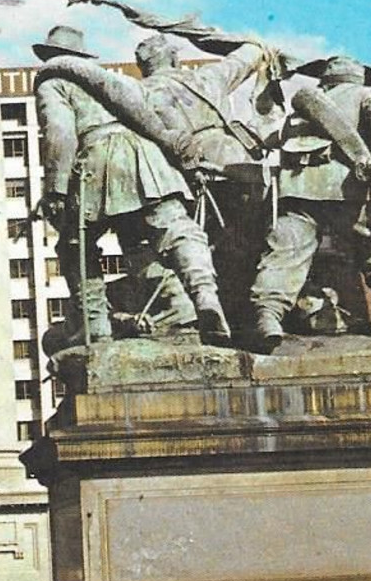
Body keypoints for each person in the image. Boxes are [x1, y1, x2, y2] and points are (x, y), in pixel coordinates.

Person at [35, 25, 280, 345]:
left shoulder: (54, 83)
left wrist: (55, 188)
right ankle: (205, 296)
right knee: (176, 229)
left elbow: (60, 133)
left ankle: (94, 323)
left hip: (97, 158)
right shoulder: (116, 81)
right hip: (150, 158)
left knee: (75, 246)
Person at [246, 56, 371, 351]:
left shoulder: (303, 104)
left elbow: (270, 136)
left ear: (326, 79)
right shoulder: (366, 95)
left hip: (296, 187)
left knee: (286, 253)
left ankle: (268, 316)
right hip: (346, 186)